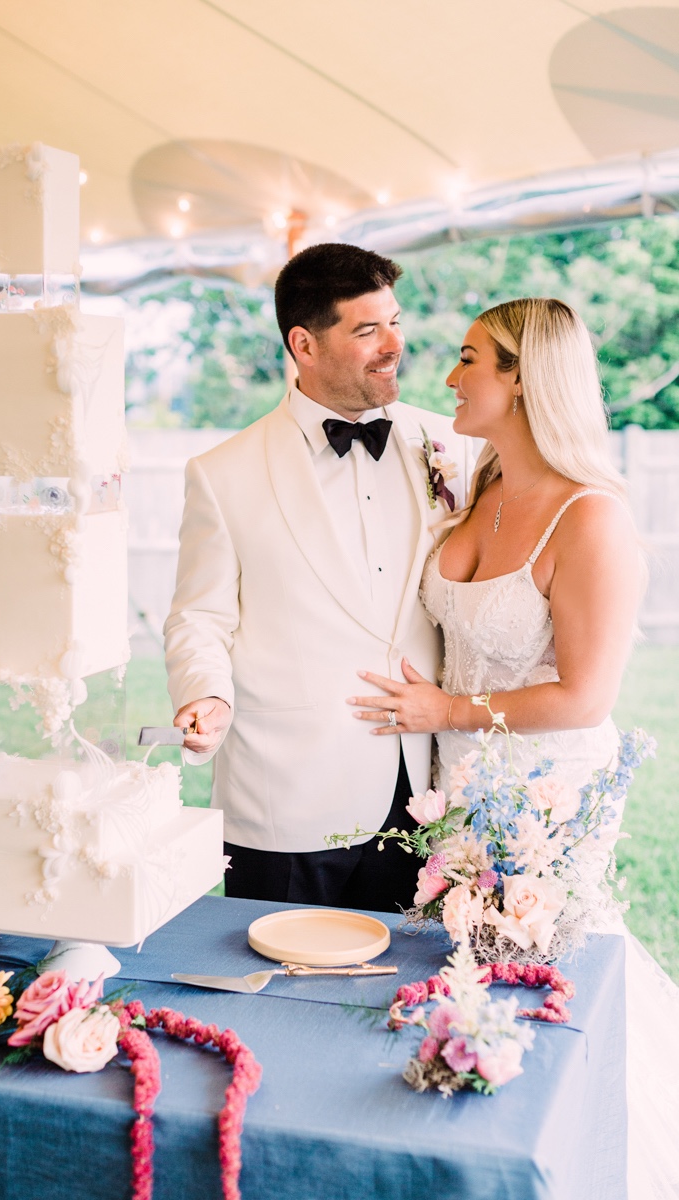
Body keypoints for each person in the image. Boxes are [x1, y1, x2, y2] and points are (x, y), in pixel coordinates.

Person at [348, 297, 679, 1199]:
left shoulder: (591, 520)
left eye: (469, 360)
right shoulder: (479, 486)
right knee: (462, 981)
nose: (446, 376)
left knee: (540, 984)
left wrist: (445, 711)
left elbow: (584, 697)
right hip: (457, 794)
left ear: (526, 377)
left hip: (546, 804)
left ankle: (571, 1161)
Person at [164, 243, 472, 910]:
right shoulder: (222, 474)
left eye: (395, 321)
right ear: (303, 343)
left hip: (418, 792)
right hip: (285, 797)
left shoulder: (449, 446)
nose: (394, 344)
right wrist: (207, 695)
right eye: (367, 330)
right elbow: (199, 617)